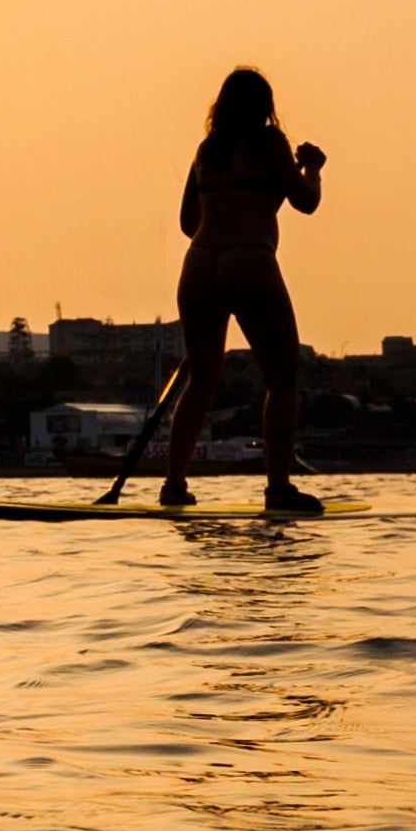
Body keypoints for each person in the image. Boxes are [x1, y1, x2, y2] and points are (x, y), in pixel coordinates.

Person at [150, 65, 324, 515]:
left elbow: (190, 223)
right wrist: (312, 169)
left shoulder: (207, 151)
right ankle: (279, 487)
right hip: (249, 260)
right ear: (265, 107)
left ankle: (174, 484)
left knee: (201, 381)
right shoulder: (269, 143)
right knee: (283, 377)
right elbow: (306, 201)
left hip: (199, 266)